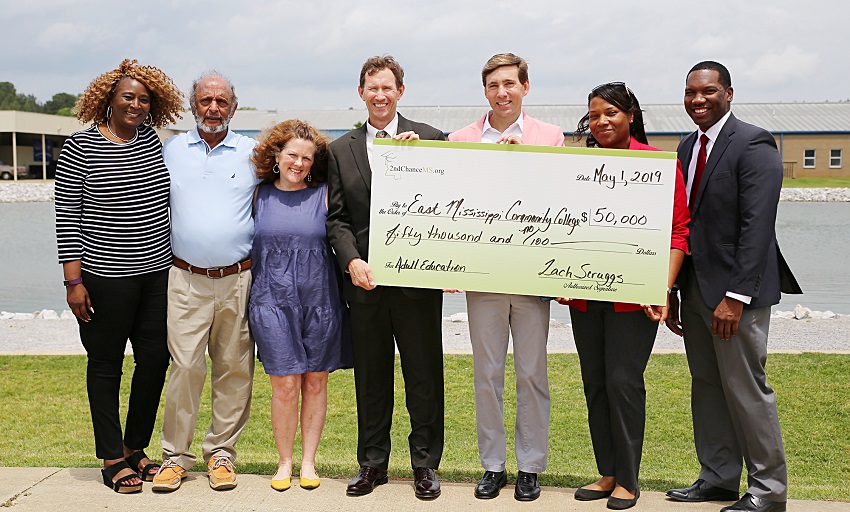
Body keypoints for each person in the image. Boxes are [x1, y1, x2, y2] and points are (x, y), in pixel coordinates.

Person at [665, 61, 801, 512]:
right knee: (706, 385)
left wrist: (735, 297)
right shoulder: (686, 147)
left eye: (707, 91)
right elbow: (685, 225)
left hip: (734, 298)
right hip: (696, 292)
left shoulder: (754, 143)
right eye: (689, 93)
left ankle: (768, 492)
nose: (697, 100)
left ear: (728, 93)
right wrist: (675, 290)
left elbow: (757, 227)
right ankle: (719, 478)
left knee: (746, 389)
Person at [557, 82, 690, 510]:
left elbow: (678, 232)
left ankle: (629, 480)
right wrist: (558, 275)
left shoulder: (657, 166)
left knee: (623, 382)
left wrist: (662, 288)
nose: (602, 121)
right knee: (595, 383)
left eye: (610, 113)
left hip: (636, 297)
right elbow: (560, 225)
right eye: (594, 115)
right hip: (584, 295)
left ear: (630, 115)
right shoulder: (579, 166)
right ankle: (608, 472)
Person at [54, 58, 184, 493]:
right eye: (128, 96)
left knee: (155, 361)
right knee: (107, 366)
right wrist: (74, 283)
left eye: (144, 99)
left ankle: (134, 446)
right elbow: (68, 217)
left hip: (156, 276)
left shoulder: (151, 140)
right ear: (108, 99)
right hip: (103, 279)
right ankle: (111, 457)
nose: (136, 104)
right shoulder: (79, 146)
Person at [326, 55, 445, 500]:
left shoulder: (432, 140)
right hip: (366, 284)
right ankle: (372, 463)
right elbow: (336, 218)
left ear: (400, 91)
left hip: (416, 286)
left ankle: (425, 465)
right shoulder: (341, 150)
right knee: (372, 379)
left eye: (387, 87)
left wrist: (423, 161)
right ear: (361, 93)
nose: (380, 95)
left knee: (423, 377)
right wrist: (351, 261)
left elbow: (451, 208)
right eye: (371, 88)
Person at [448, 53, 564, 502]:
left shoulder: (550, 138)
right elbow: (447, 204)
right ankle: (493, 465)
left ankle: (531, 466)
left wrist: (527, 166)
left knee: (533, 374)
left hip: (532, 277)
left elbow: (559, 203)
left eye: (510, 83)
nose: (502, 91)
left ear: (525, 87)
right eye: (493, 84)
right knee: (487, 373)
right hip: (482, 277)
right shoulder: (461, 139)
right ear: (485, 91)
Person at [152, 71, 259, 492]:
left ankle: (221, 454)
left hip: (238, 279)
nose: (213, 108)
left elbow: (301, 172)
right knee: (185, 368)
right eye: (205, 100)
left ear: (234, 107)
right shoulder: (170, 151)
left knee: (234, 369)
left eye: (221, 101)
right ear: (192, 105)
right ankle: (175, 457)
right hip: (186, 280)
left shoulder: (253, 153)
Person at [248, 119, 352, 491]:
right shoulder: (257, 195)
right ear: (276, 155)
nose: (299, 163)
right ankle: (284, 462)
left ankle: (309, 461)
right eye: (292, 154)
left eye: (307, 158)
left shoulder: (325, 194)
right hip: (271, 303)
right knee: (285, 386)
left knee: (316, 382)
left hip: (320, 303)